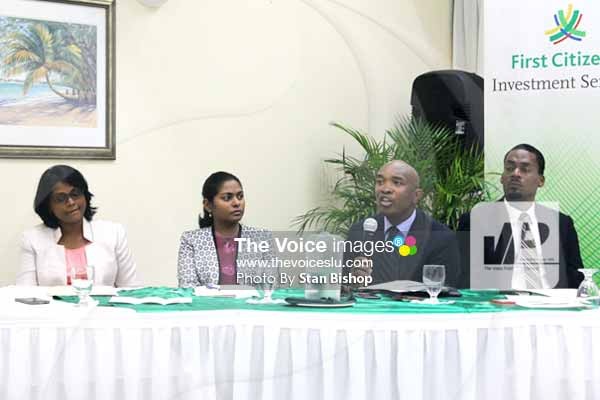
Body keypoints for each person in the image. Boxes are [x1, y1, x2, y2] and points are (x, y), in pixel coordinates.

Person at [457, 143, 584, 288]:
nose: (515, 174)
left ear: (541, 181)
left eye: (525, 169)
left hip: (553, 300)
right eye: (509, 168)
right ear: (502, 178)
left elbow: (576, 276)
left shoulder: (560, 222)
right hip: (501, 300)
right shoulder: (476, 220)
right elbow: (466, 278)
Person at [344, 160, 461, 287]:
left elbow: (445, 290)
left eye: (397, 182)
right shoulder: (359, 232)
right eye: (380, 182)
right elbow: (342, 286)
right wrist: (353, 283)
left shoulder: (440, 237)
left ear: (416, 196)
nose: (385, 189)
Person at [17, 165, 139, 287]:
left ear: (85, 195)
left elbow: (131, 289)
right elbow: (26, 292)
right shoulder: (32, 239)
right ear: (48, 206)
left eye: (75, 194)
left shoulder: (113, 233)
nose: (71, 202)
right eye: (61, 199)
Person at [177, 172, 274, 287]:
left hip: (252, 300)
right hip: (206, 300)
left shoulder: (262, 239)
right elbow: (188, 287)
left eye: (240, 196)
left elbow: (271, 287)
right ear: (208, 205)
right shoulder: (191, 240)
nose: (237, 203)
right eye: (227, 198)